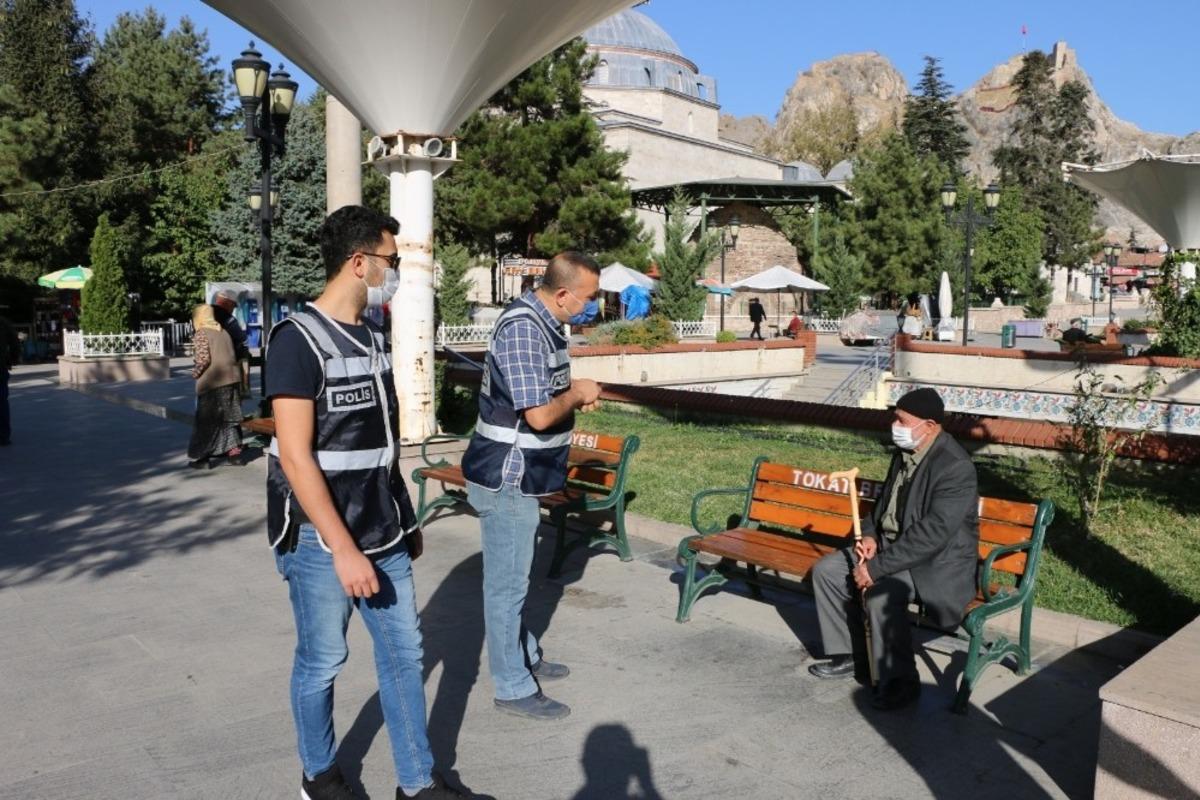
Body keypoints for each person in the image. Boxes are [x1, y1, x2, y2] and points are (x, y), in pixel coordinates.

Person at [266, 206, 467, 799]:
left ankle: (417, 784)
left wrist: (404, 516)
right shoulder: (296, 341)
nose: (396, 272)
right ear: (359, 263)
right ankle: (320, 775)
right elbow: (296, 458)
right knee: (323, 660)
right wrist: (344, 550)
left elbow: (380, 445)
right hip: (322, 541)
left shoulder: (373, 336)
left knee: (405, 655)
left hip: (385, 531)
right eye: (391, 261)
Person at [461, 251, 603, 721]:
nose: (593, 305)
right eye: (589, 297)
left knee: (512, 578)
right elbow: (539, 415)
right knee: (507, 586)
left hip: (522, 474)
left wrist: (572, 394)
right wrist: (577, 393)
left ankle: (524, 653)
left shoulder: (547, 322)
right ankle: (513, 686)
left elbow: (541, 394)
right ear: (563, 294)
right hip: (508, 476)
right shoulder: (524, 329)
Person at [807, 387, 979, 711]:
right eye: (895, 418)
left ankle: (901, 683)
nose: (894, 426)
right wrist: (871, 536)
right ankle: (850, 656)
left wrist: (874, 569)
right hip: (891, 547)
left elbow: (932, 535)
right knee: (827, 572)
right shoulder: (905, 453)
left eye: (902, 420)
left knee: (881, 595)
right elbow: (883, 507)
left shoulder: (955, 467)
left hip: (933, 562)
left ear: (929, 425)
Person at [187, 304, 244, 468]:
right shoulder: (223, 331)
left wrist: (195, 373)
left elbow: (203, 359)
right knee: (229, 419)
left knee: (206, 422)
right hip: (231, 380)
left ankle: (203, 458)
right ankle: (234, 456)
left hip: (212, 383)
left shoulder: (202, 333)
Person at [0, 313, 18, 446]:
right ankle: (3, 436)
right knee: (1, 401)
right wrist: (12, 359)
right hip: (0, 367)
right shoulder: (3, 322)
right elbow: (14, 343)